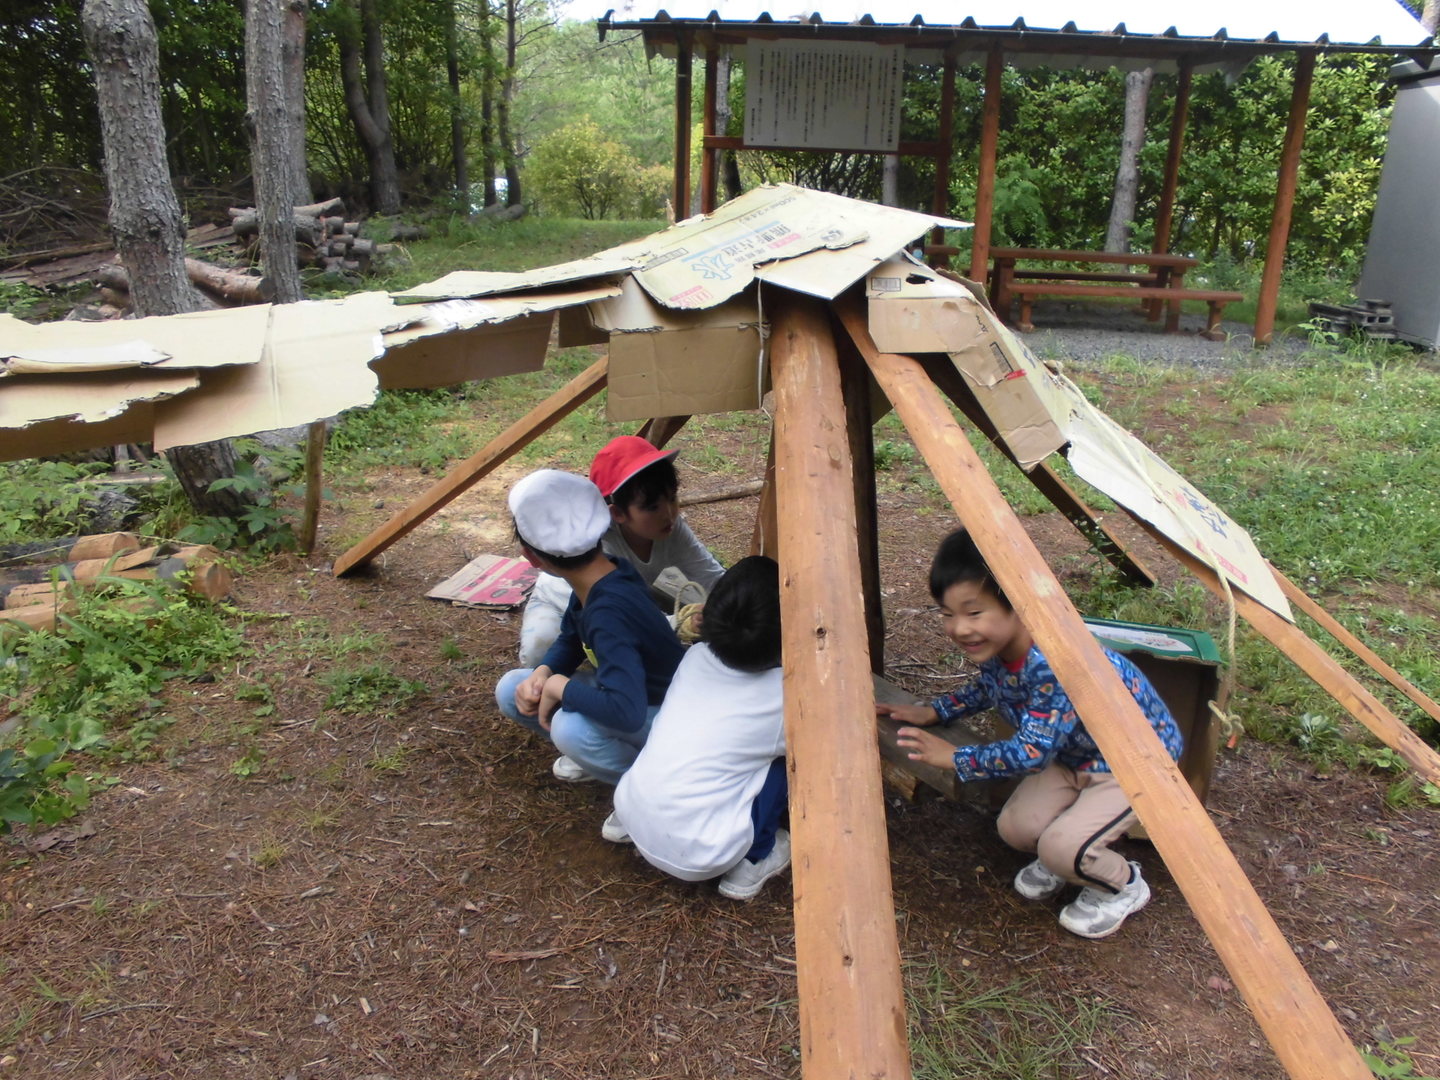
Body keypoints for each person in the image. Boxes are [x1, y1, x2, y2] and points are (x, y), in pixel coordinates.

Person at [876, 529, 1183, 939]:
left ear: (1018, 602)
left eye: (973, 611)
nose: (959, 629)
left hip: (1133, 762)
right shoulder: (1005, 648)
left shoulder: (1055, 660)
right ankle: (1063, 854)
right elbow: (991, 686)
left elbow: (1031, 754)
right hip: (1074, 753)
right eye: (947, 614)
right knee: (1016, 829)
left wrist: (954, 757)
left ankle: (1123, 884)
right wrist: (935, 711)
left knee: (1064, 849)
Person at [609, 556, 790, 901]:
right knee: (782, 762)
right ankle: (756, 856)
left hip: (631, 808)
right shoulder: (784, 694)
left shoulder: (695, 657)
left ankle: (629, 821)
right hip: (702, 854)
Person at [494, 469, 684, 785]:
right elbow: (571, 636)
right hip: (639, 695)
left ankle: (648, 791)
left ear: (531, 557)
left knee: (571, 730)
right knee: (513, 687)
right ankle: (608, 754)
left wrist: (560, 686)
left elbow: (627, 711)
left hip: (669, 712)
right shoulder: (607, 573)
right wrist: (544, 672)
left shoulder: (608, 613)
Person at [518, 435, 725, 666]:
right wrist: (678, 622)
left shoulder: (670, 528)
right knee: (539, 655)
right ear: (616, 513)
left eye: (672, 498)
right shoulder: (598, 546)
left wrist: (740, 600)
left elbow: (709, 575)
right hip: (563, 605)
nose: (669, 513)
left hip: (632, 595)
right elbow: (616, 616)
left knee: (711, 616)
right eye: (652, 507)